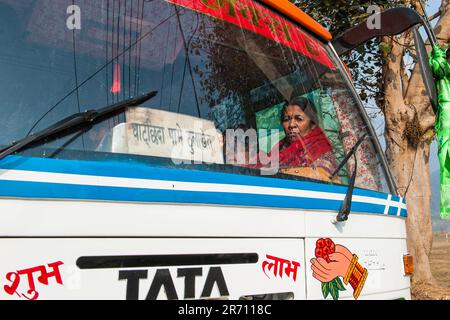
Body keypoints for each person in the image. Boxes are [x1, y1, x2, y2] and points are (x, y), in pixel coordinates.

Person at [270, 97, 339, 182]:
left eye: (299, 119)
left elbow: (323, 178)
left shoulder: (320, 149)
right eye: (286, 119)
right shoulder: (278, 149)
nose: (291, 124)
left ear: (313, 124)